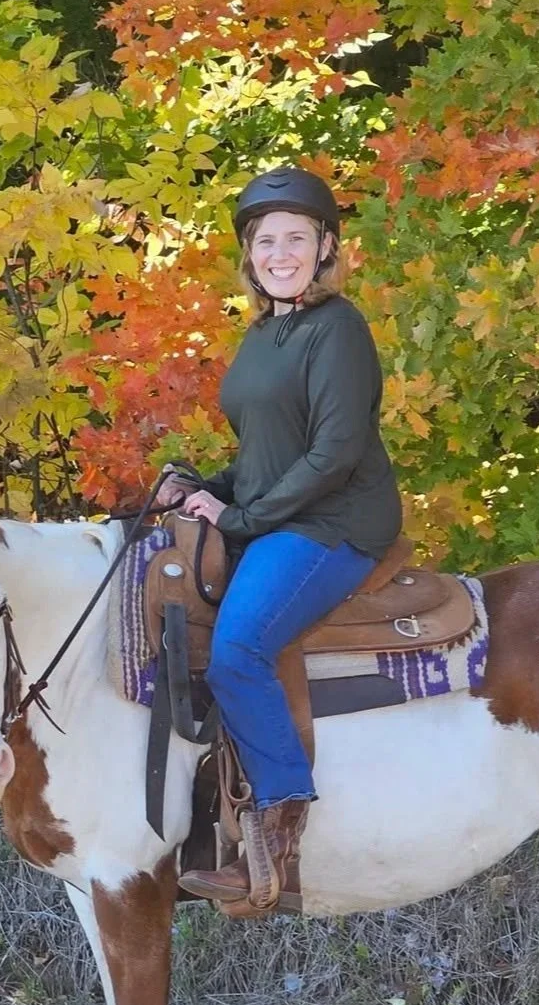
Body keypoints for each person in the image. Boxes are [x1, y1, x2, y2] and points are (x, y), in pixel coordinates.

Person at [156, 165, 402, 912]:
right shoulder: (266, 333)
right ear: (250, 254)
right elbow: (268, 453)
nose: (281, 252)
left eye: (298, 238)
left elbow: (334, 454)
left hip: (335, 522)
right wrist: (208, 488)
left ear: (327, 247)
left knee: (237, 651)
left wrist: (236, 519)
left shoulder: (339, 328)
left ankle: (281, 819)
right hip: (282, 513)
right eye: (267, 240)